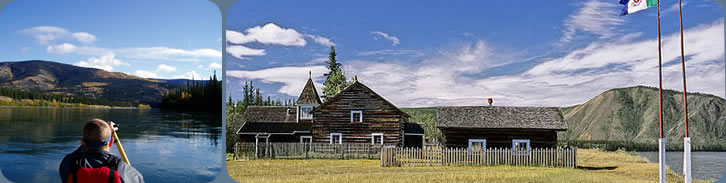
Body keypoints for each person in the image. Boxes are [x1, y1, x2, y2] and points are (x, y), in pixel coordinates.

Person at [59, 119, 144, 183]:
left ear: (83, 142)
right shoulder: (128, 172)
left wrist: (106, 132)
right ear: (111, 142)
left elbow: (79, 151)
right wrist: (108, 132)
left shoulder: (68, 165)